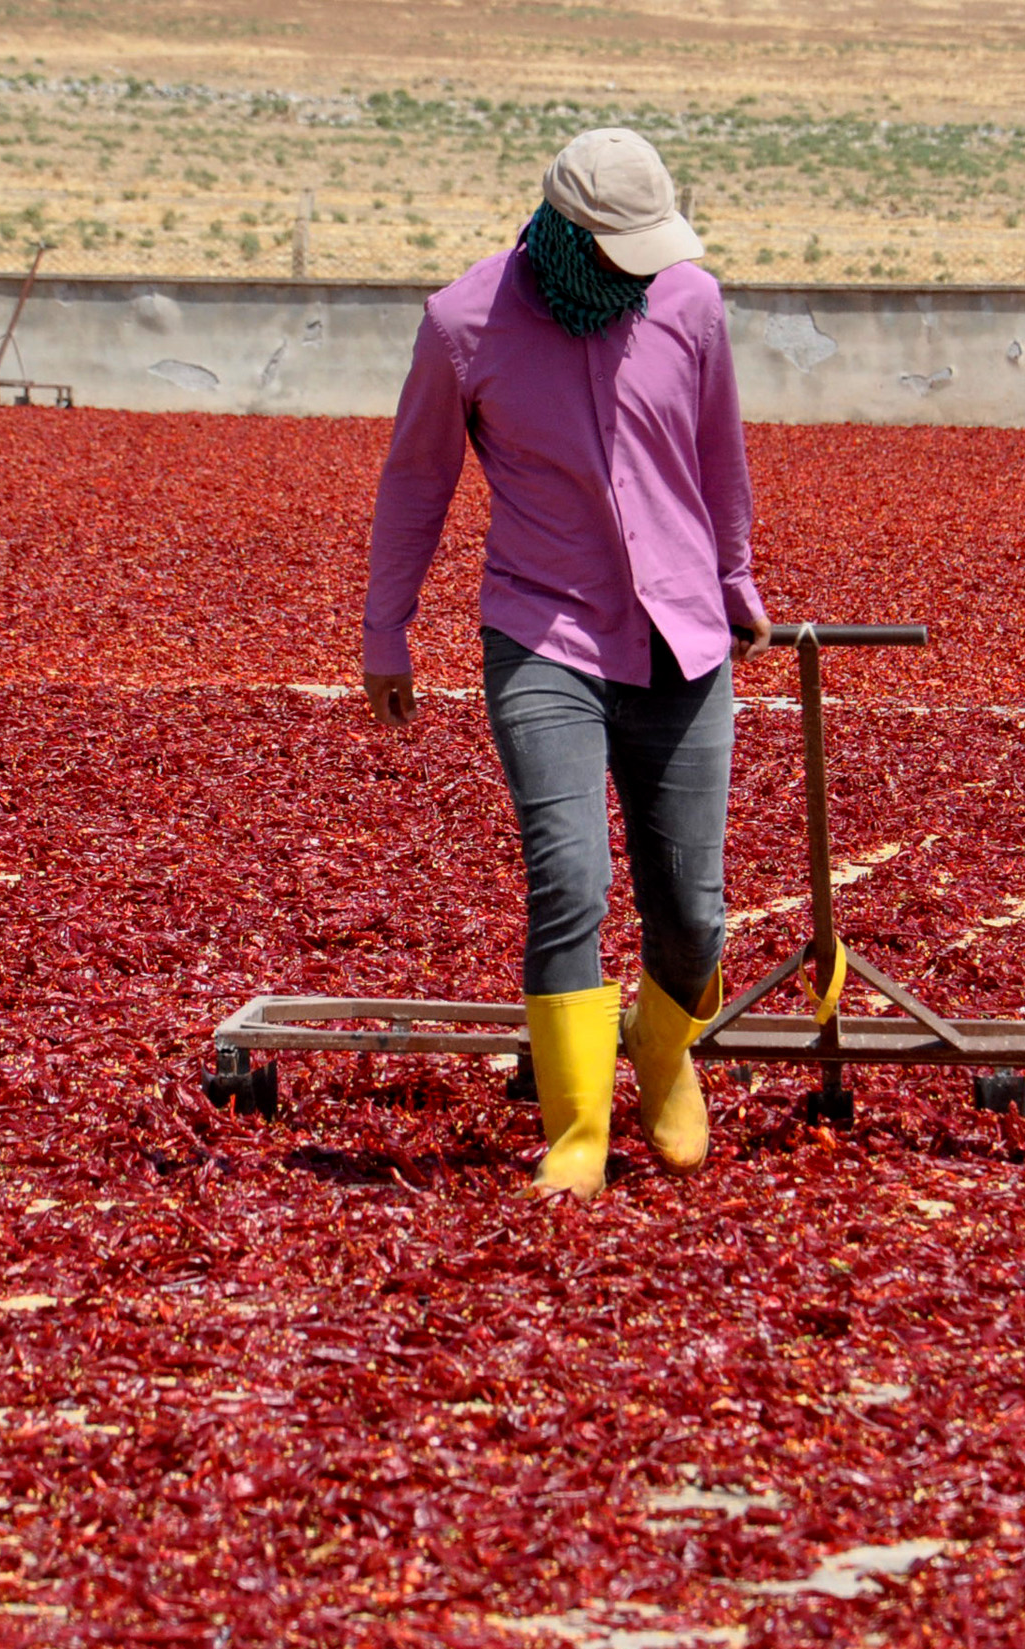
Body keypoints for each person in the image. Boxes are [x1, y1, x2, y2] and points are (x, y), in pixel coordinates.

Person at [361, 126, 770, 1201]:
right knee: (570, 883)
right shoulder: (466, 323)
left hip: (681, 636)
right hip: (543, 634)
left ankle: (665, 1053)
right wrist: (385, 630)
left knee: (689, 910)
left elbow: (719, 456)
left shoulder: (690, 304)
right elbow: (417, 482)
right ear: (571, 233)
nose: (647, 264)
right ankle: (579, 1127)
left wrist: (736, 582)